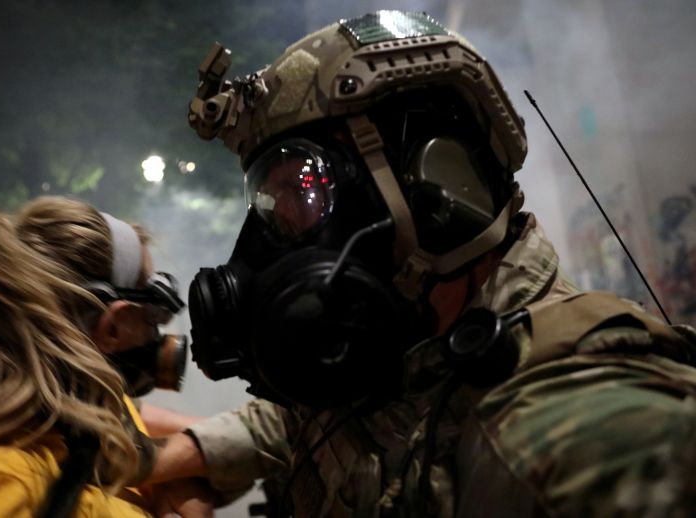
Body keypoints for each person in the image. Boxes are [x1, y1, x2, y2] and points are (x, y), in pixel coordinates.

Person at [144, 10, 696, 516]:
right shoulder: (404, 352)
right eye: (272, 204)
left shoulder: (566, 429)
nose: (279, 239)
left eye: (305, 189)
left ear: (435, 187)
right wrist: (176, 456)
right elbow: (307, 421)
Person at [0, 196, 212, 517]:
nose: (156, 337)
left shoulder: (83, 405)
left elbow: (143, 428)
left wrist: (169, 478)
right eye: (151, 317)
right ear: (111, 328)